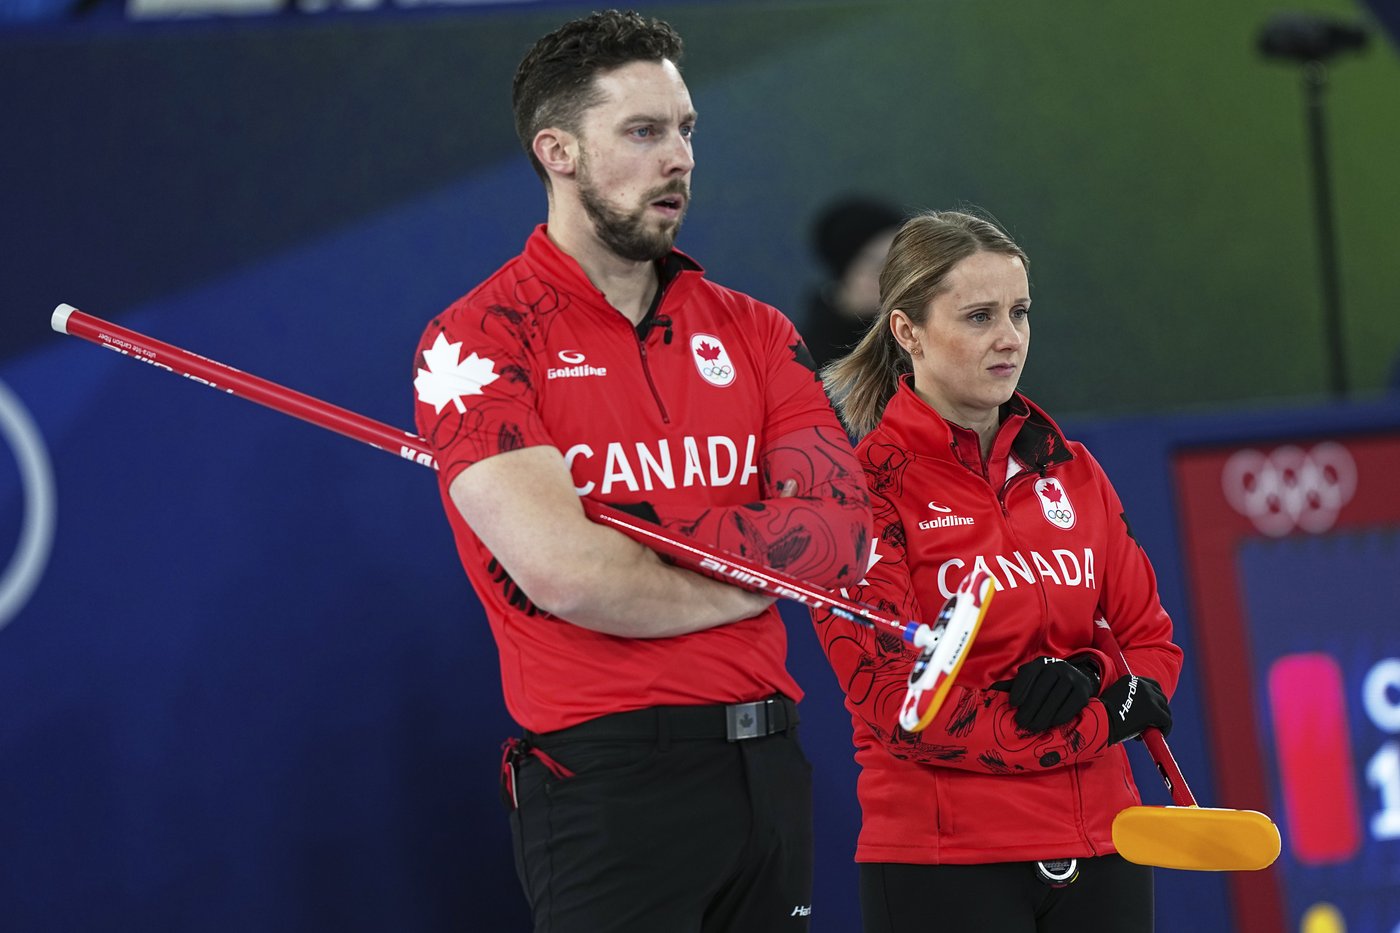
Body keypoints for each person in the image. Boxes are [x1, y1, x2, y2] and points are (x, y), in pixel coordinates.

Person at [411, 10, 873, 932]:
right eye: (643, 131)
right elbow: (569, 576)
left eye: (686, 129)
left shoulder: (756, 330)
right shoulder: (475, 341)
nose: (680, 159)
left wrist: (656, 537)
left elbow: (843, 539)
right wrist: (756, 579)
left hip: (770, 766)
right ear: (559, 152)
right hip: (607, 782)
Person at [813, 209, 1183, 932]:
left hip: (1104, 844)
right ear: (907, 331)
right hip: (946, 860)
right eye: (979, 316)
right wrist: (1096, 723)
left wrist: (1092, 677)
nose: (1010, 337)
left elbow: (1150, 642)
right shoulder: (859, 491)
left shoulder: (1073, 471)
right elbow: (898, 705)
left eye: (1020, 311)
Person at [802, 195, 904, 369]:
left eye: (902, 263)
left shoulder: (916, 339)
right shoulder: (806, 359)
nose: (896, 277)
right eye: (880, 266)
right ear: (847, 272)